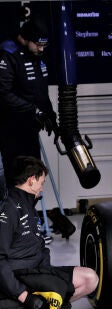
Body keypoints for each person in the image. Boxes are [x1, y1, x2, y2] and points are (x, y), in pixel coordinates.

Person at [0, 156, 99, 309]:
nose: (42, 187)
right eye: (42, 182)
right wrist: (24, 297)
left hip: (37, 275)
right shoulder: (9, 208)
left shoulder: (30, 205)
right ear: (31, 180)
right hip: (17, 285)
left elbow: (41, 250)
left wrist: (50, 283)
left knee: (90, 279)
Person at [0, 20, 57, 195]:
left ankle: (30, 216)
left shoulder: (37, 55)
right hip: (11, 130)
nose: (41, 49)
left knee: (34, 176)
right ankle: (16, 218)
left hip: (30, 129)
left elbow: (40, 90)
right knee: (17, 178)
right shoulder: (8, 53)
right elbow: (3, 94)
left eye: (44, 45)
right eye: (38, 45)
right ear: (25, 39)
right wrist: (33, 110)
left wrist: (50, 115)